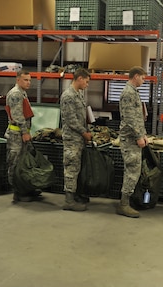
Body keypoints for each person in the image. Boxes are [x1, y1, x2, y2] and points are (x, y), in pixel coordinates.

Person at [117, 66, 148, 218]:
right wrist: (138, 136)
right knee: (132, 171)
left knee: (134, 170)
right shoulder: (128, 93)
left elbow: (138, 117)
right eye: (143, 78)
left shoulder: (133, 92)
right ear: (136, 76)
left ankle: (127, 201)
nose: (144, 80)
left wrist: (143, 134)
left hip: (134, 138)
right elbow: (129, 119)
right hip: (130, 140)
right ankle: (124, 204)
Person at [4, 69, 38, 202]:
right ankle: (17, 192)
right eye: (26, 80)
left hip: (21, 133)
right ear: (18, 79)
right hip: (16, 134)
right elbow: (17, 116)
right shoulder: (16, 94)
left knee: (22, 162)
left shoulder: (22, 93)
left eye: (30, 80)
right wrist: (24, 132)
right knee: (15, 162)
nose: (29, 82)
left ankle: (23, 189)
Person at [60, 68, 91, 211]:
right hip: (72, 139)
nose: (87, 84)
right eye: (86, 81)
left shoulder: (78, 95)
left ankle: (76, 194)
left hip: (79, 138)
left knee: (77, 168)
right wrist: (84, 132)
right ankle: (69, 200)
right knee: (71, 168)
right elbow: (70, 120)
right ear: (79, 78)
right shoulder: (68, 96)